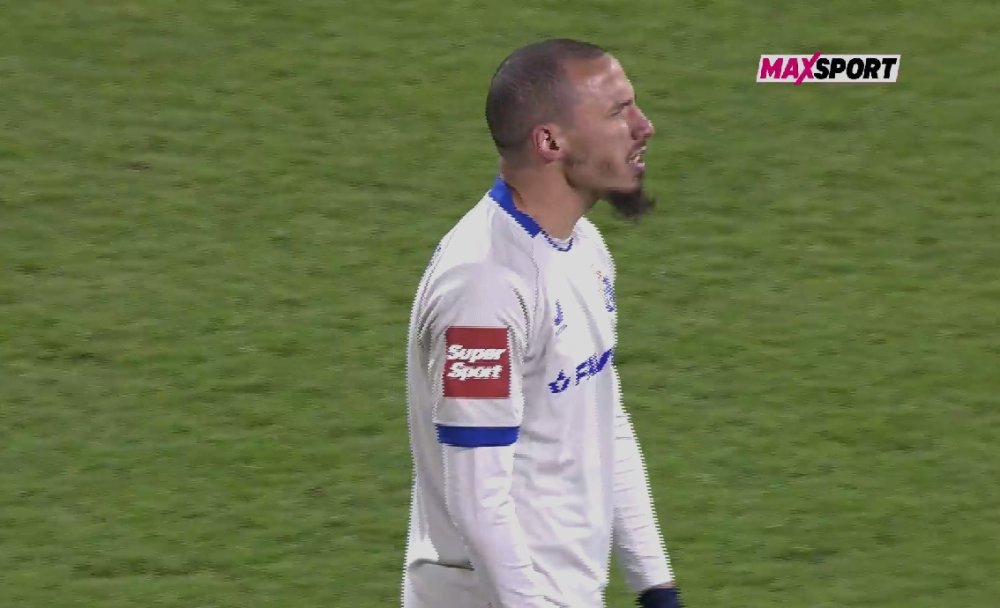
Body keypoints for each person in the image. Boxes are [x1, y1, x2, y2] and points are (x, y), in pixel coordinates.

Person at [401, 38, 682, 608]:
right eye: (618, 112)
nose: (643, 126)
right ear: (550, 141)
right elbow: (478, 504)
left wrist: (655, 585)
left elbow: (602, 420)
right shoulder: (484, 287)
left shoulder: (583, 247)